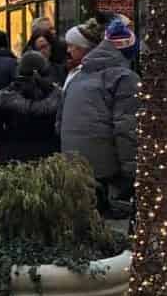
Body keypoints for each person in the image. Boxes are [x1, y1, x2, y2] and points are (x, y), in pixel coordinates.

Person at [59, 18, 139, 215]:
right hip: (104, 173)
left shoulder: (78, 76)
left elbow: (59, 122)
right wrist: (133, 174)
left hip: (72, 165)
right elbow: (127, 129)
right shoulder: (125, 78)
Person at [0, 52, 62, 164]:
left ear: (19, 70)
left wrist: (6, 139)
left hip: (13, 154)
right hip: (50, 155)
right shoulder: (57, 94)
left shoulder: (5, 95)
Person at [63, 19, 101, 90]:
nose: (68, 50)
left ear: (83, 47)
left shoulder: (88, 72)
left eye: (71, 45)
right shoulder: (74, 69)